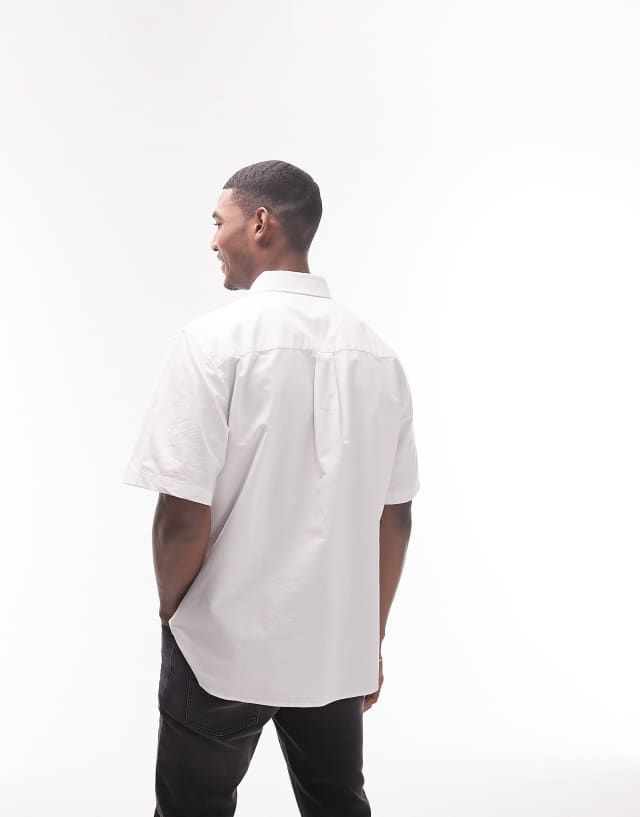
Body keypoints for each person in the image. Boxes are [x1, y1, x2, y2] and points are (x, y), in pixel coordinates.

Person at [123, 159, 420, 817]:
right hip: (333, 646)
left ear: (260, 224)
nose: (212, 240)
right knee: (336, 803)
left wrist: (176, 616)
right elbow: (395, 517)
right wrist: (367, 638)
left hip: (222, 643)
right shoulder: (378, 356)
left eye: (218, 221)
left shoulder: (211, 344)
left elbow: (181, 514)